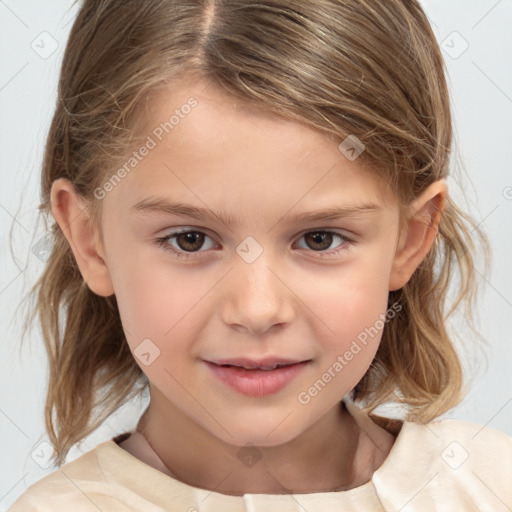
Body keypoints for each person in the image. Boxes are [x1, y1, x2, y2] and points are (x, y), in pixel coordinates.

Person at [8, 0, 512, 510]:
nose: (257, 310)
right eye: (190, 239)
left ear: (411, 238)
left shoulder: (491, 487)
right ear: (90, 240)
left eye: (319, 239)